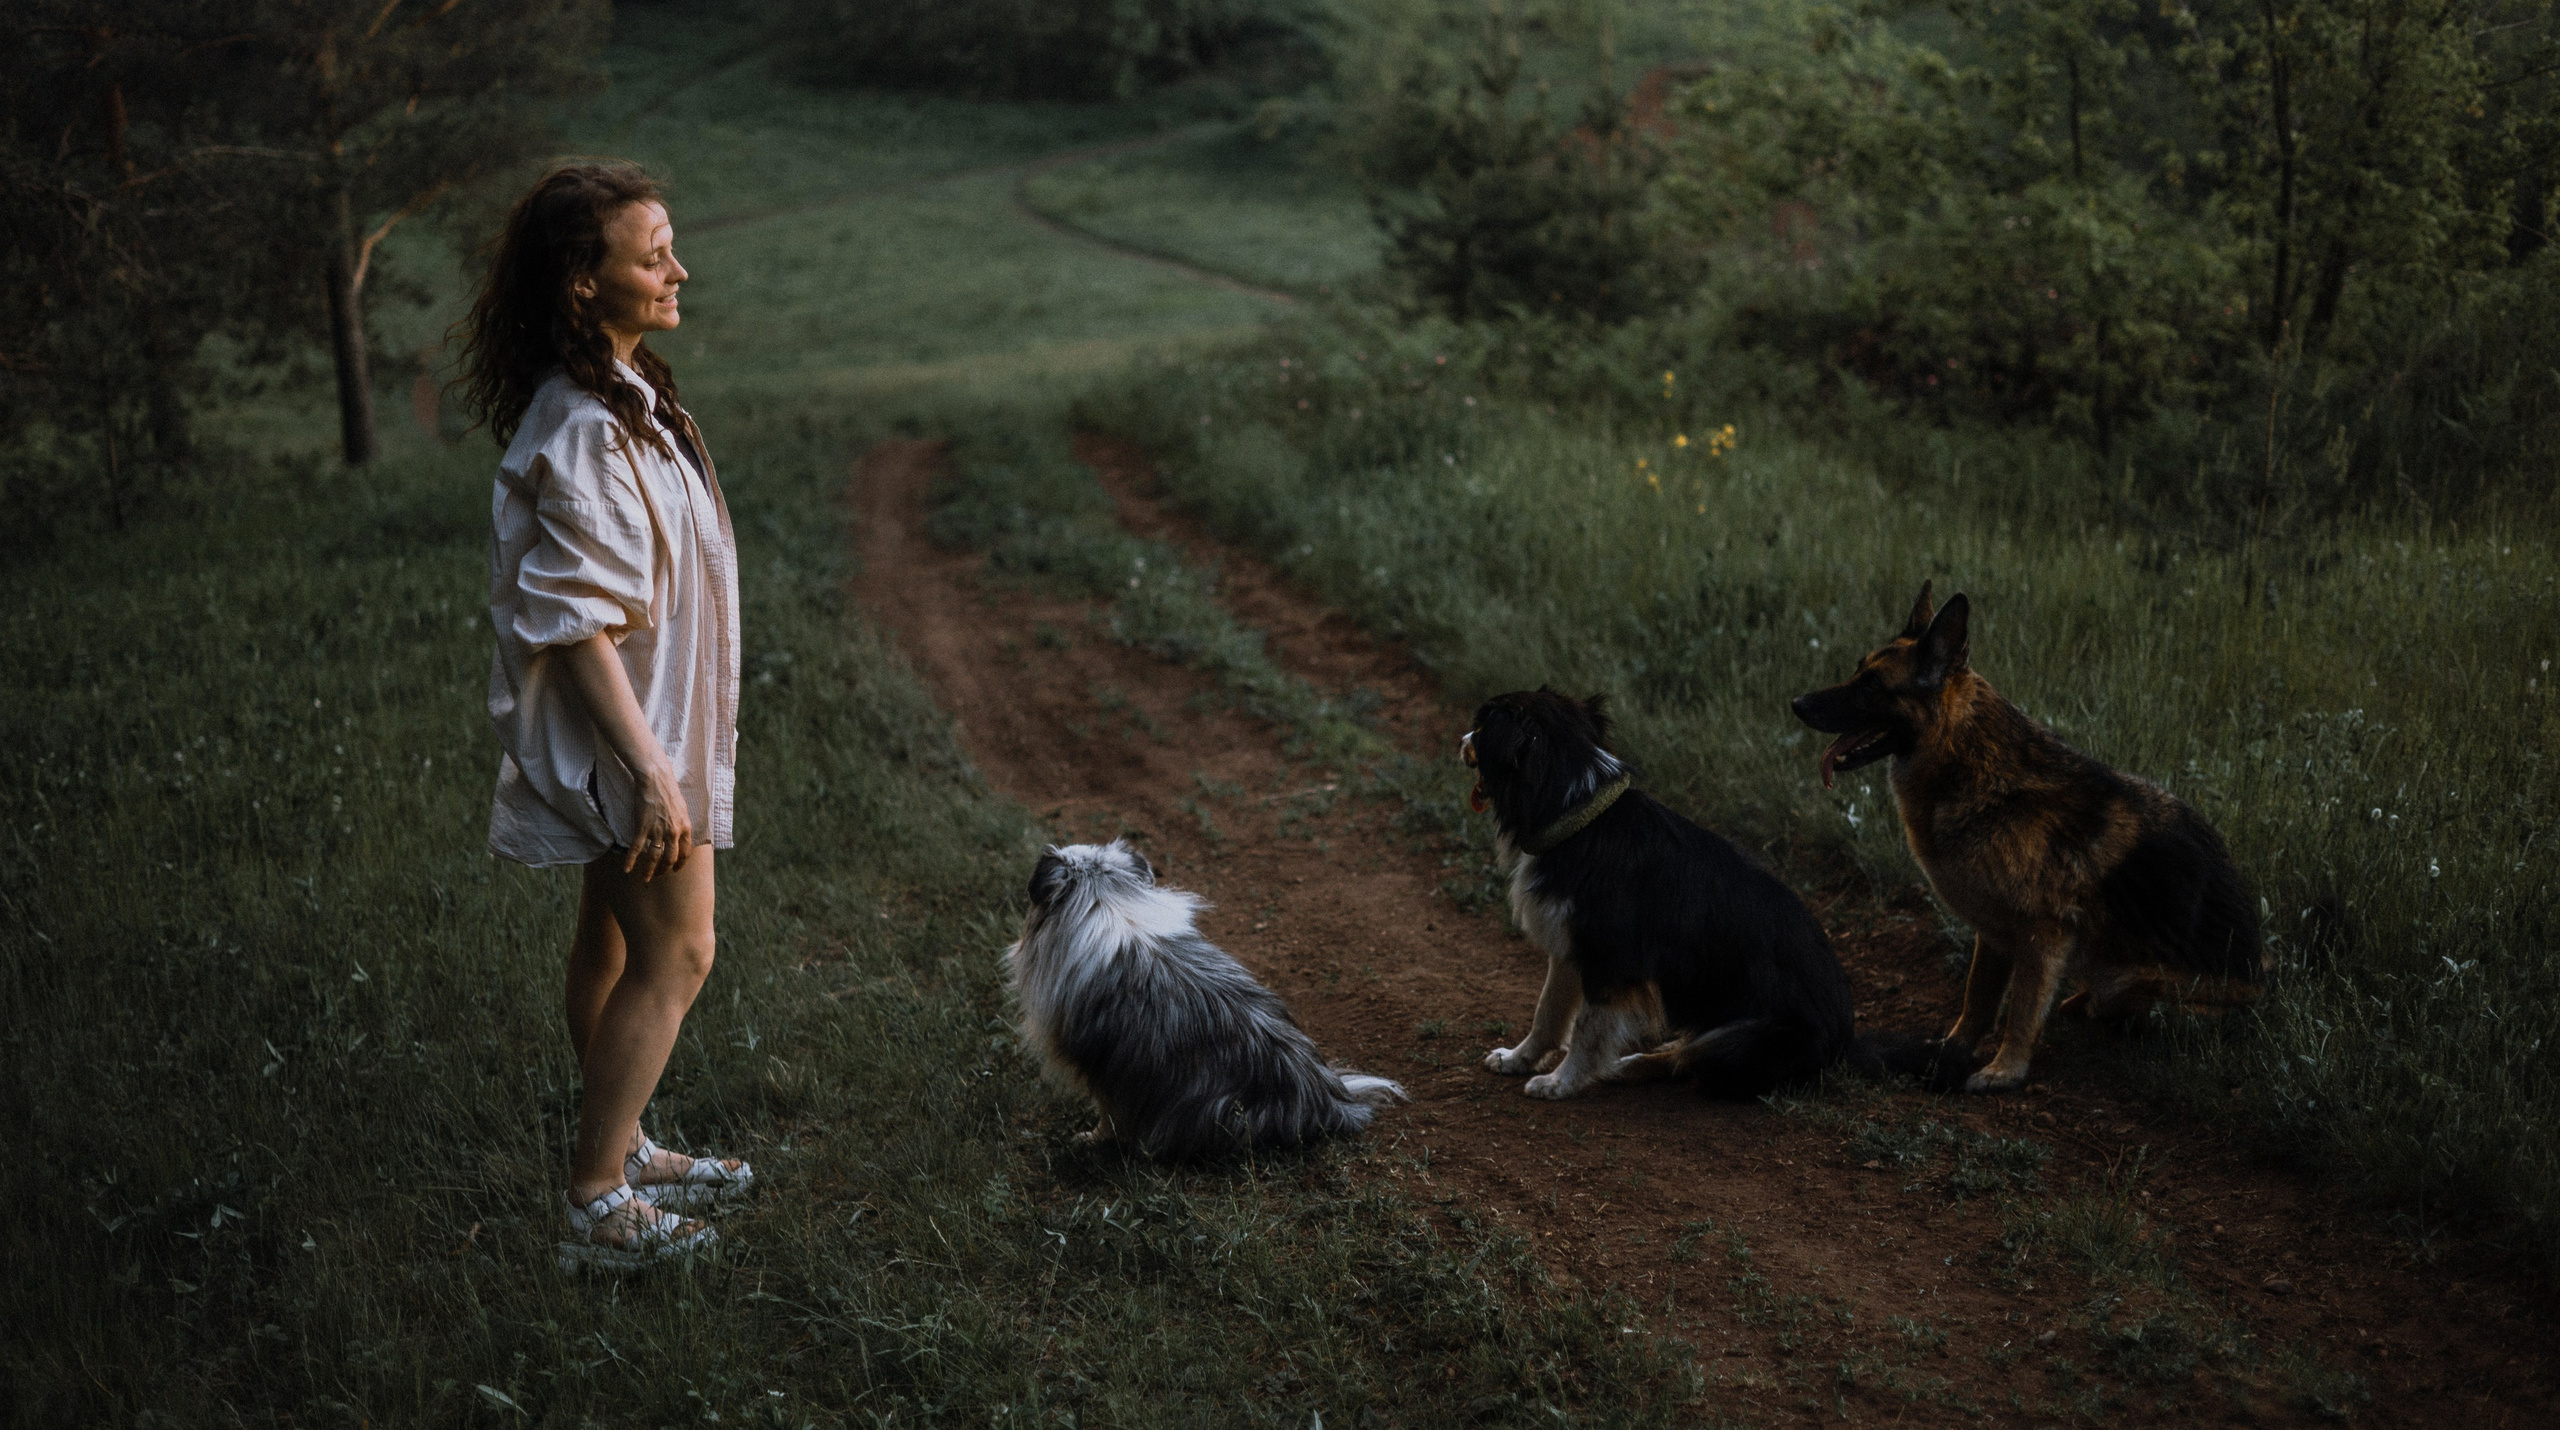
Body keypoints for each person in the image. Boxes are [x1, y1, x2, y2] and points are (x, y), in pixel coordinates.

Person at [458, 161, 752, 1270]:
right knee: (679, 952)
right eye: (650, 254)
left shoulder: (624, 394)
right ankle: (593, 1201)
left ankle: (622, 1146)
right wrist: (652, 771)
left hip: (638, 722)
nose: (677, 269)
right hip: (628, 739)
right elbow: (574, 625)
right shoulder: (584, 426)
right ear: (586, 283)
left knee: (608, 936)